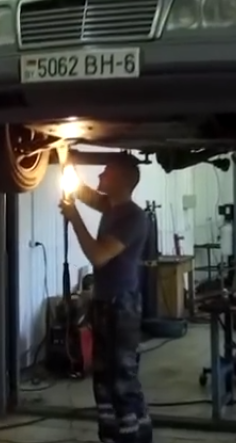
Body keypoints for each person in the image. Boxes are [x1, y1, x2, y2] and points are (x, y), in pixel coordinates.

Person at [59, 154, 152, 443]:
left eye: (106, 172)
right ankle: (111, 436)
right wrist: (64, 157)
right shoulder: (111, 207)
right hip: (104, 303)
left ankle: (135, 436)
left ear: (121, 181)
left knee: (122, 379)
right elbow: (83, 192)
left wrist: (74, 218)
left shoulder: (133, 217)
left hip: (121, 306)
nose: (100, 175)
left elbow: (99, 256)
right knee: (102, 378)